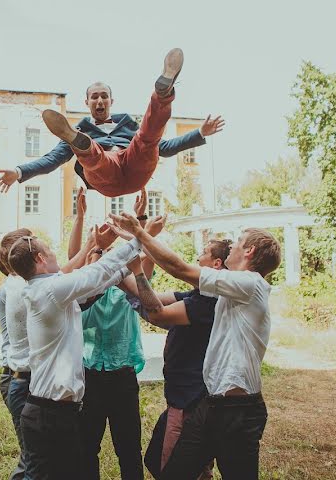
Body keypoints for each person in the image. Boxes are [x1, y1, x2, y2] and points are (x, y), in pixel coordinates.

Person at [110, 213, 281, 480]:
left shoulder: (250, 284)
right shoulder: (229, 288)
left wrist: (142, 235)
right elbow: (170, 284)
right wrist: (136, 241)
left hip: (239, 411)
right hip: (212, 405)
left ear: (249, 251)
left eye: (238, 242)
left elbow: (179, 268)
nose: (232, 247)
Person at [0, 48, 225, 197]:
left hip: (135, 169)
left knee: (147, 138)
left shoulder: (127, 124)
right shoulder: (81, 129)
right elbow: (52, 160)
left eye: (104, 95)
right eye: (94, 97)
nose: (99, 100)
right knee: (95, 158)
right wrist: (19, 171)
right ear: (87, 102)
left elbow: (162, 148)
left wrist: (200, 133)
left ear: (111, 100)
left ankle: (162, 94)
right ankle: (83, 146)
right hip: (106, 179)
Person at [7, 229, 143, 480]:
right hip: (49, 415)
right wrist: (138, 238)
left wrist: (128, 267)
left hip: (55, 412)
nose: (54, 254)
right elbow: (94, 273)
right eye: (49, 250)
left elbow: (100, 282)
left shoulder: (51, 292)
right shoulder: (49, 291)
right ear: (39, 258)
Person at [70, 188, 161, 480]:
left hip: (122, 373)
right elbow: (75, 257)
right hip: (90, 373)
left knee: (129, 448)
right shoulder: (86, 288)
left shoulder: (130, 286)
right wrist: (81, 217)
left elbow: (146, 256)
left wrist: (141, 220)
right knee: (85, 447)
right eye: (104, 253)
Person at [125, 238, 232, 480]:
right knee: (193, 464)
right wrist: (122, 273)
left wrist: (135, 271)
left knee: (169, 468)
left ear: (216, 264)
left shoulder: (211, 302)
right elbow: (149, 297)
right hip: (184, 396)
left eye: (203, 252)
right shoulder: (198, 295)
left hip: (190, 400)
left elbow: (157, 314)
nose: (197, 257)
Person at [0, 228, 36, 480]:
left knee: (34, 454)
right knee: (32, 457)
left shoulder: (18, 283)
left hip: (17, 375)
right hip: (16, 376)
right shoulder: (16, 287)